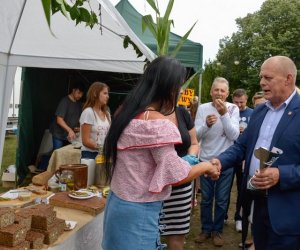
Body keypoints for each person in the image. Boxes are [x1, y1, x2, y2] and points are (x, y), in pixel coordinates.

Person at [101, 56, 220, 250]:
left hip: (117, 203)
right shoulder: (158, 123)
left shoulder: (126, 114)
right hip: (139, 209)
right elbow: (174, 175)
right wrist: (206, 166)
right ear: (169, 87)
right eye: (179, 86)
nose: (180, 91)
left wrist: (190, 160)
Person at [213, 56, 300, 250]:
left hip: (289, 214)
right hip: (257, 204)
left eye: (268, 78)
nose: (261, 82)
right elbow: (242, 146)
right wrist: (219, 162)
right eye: (261, 77)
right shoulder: (260, 111)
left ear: (288, 79)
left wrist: (281, 174)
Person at [194, 77, 240, 247]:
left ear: (227, 93)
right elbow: (196, 136)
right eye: (216, 90)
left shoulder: (233, 108)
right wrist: (206, 125)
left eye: (222, 90)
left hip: (225, 162)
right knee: (206, 199)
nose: (219, 93)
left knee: (221, 200)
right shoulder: (203, 108)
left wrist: (224, 115)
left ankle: (218, 230)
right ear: (211, 92)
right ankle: (206, 230)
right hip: (205, 161)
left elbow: (234, 136)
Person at [159, 105, 200, 250]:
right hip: (155, 188)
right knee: (149, 236)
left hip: (182, 186)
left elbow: (194, 143)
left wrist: (189, 159)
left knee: (177, 237)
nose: (180, 90)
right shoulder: (146, 112)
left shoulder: (181, 112)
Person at [228, 89, 253, 232]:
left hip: (245, 157)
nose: (239, 105)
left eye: (242, 102)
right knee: (225, 190)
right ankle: (224, 216)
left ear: (246, 99)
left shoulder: (253, 113)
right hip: (231, 153)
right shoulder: (229, 112)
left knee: (241, 190)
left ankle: (239, 217)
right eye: (236, 102)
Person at [49, 81, 85, 150]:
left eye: (82, 94)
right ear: (73, 90)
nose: (80, 96)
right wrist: (70, 130)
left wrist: (78, 128)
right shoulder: (64, 101)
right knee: (58, 155)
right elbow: (59, 120)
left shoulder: (79, 104)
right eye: (79, 93)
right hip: (59, 134)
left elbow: (78, 118)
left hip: (69, 136)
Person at [79, 82, 110, 159]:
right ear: (95, 93)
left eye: (108, 94)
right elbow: (86, 141)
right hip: (90, 155)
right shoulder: (88, 112)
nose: (108, 96)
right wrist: (102, 148)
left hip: (103, 155)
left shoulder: (107, 114)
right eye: (105, 93)